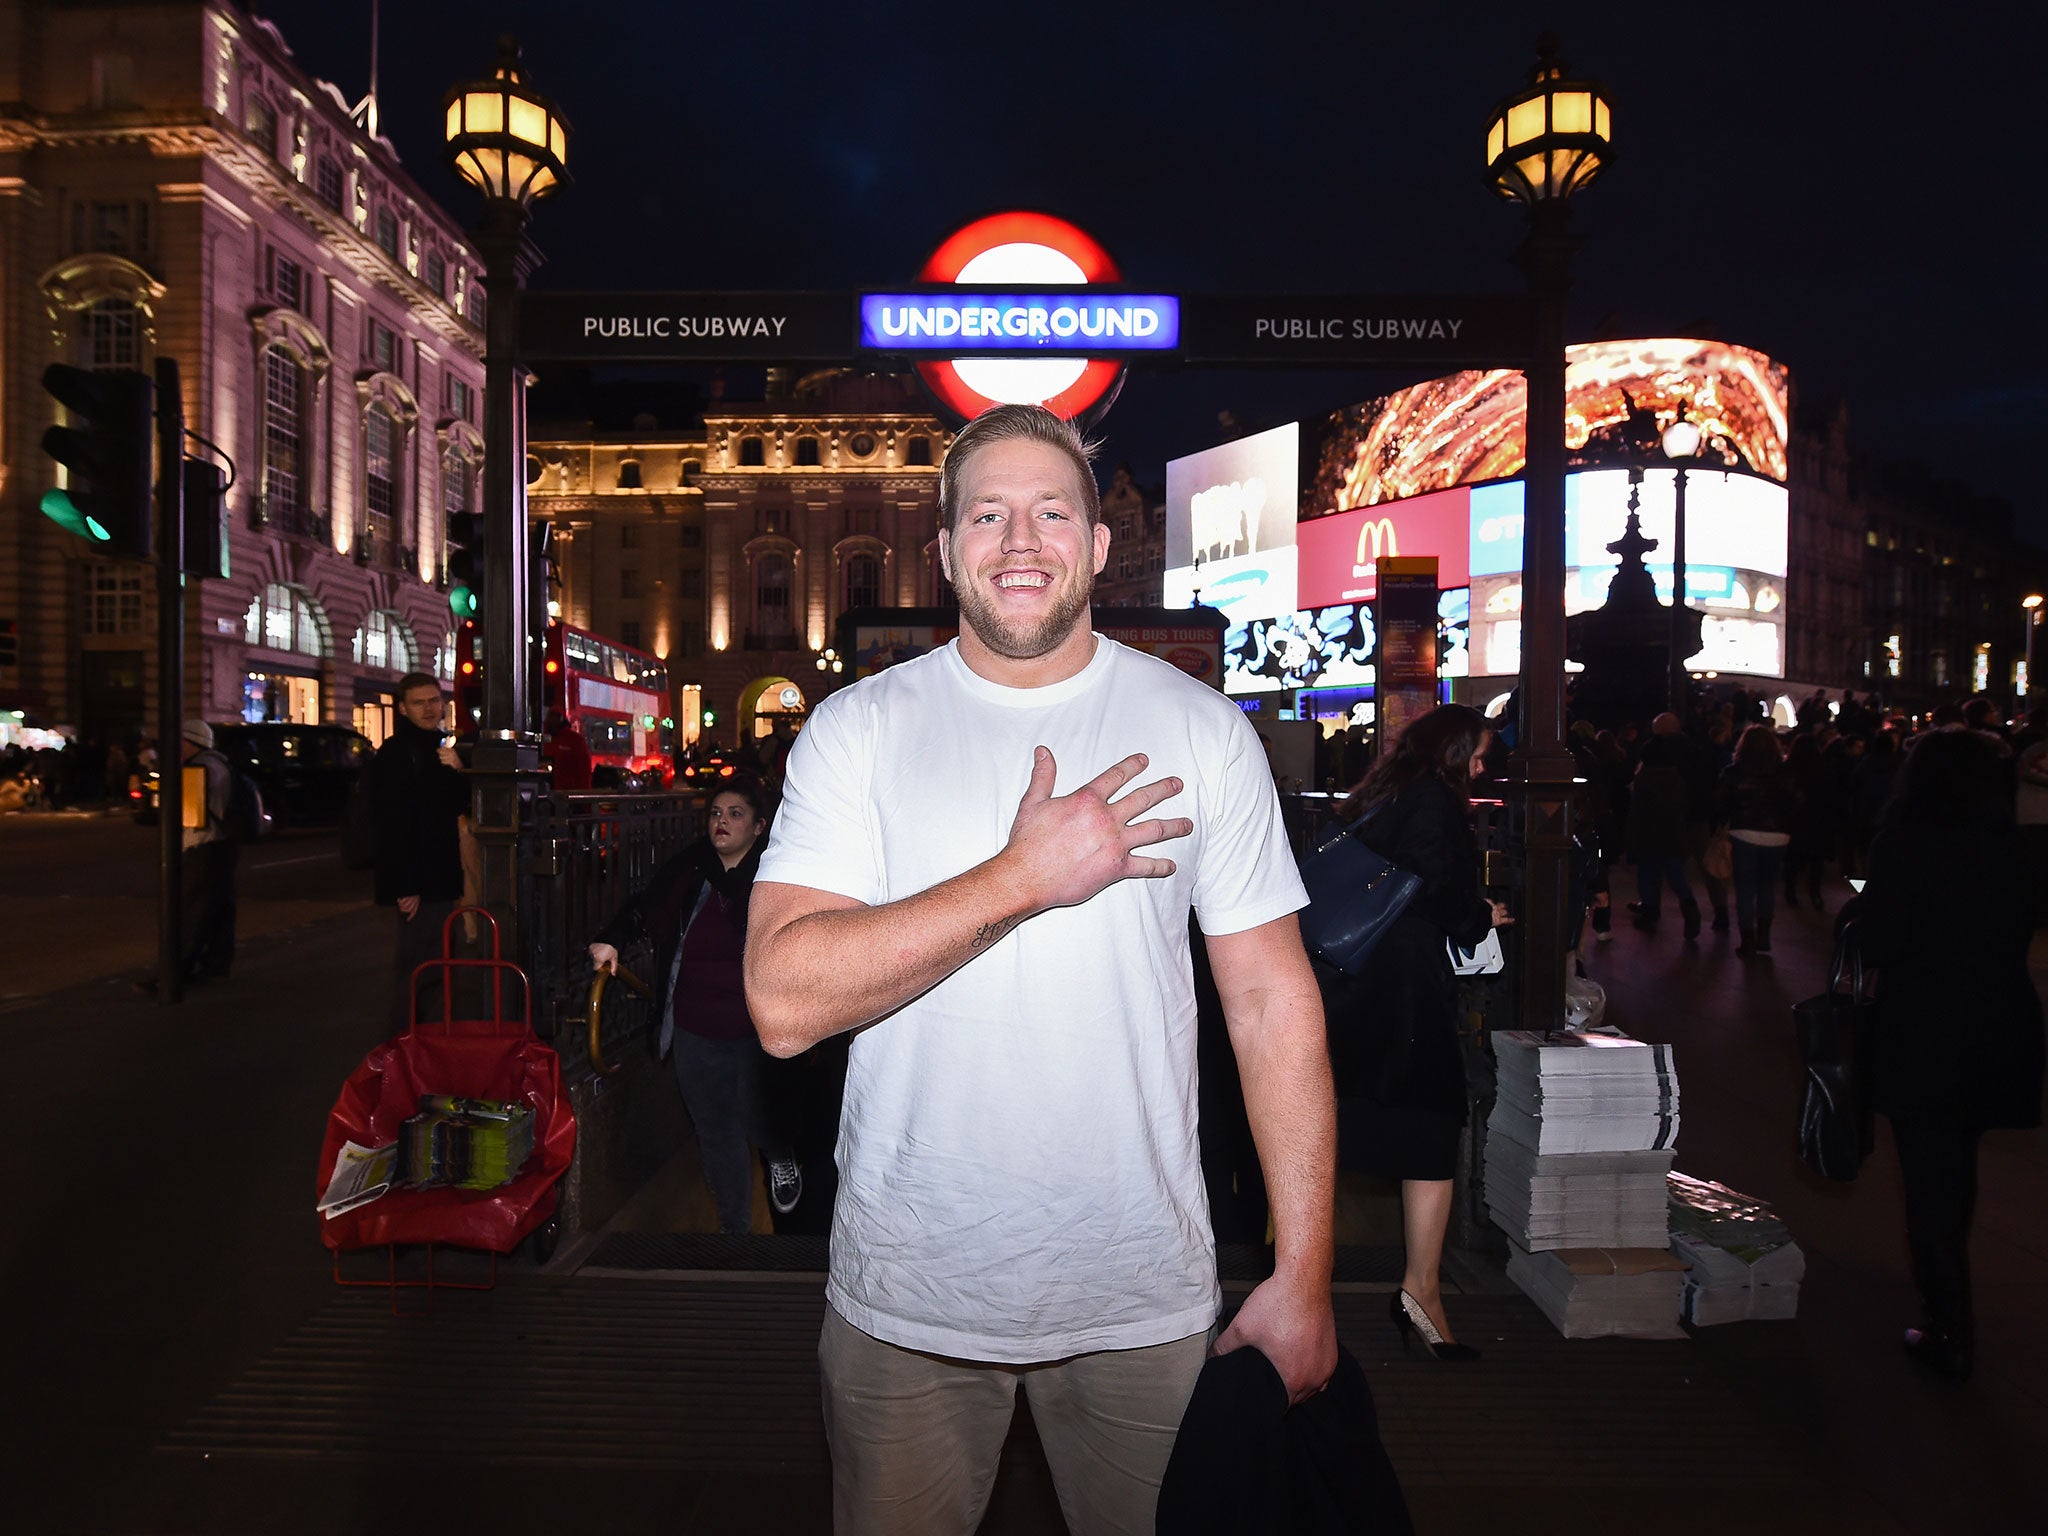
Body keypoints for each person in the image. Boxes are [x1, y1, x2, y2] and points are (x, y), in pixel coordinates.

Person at [743, 403, 1336, 1534]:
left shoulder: (1203, 729)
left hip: (1143, 1298)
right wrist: (1021, 877)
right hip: (906, 1298)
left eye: (1051, 511)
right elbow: (780, 1003)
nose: (1020, 540)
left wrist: (1302, 1276)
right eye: (988, 515)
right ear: (944, 551)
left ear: (1099, 545)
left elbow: (1270, 1005)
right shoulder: (855, 729)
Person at [1845, 730, 2044, 1382]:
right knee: (1957, 1163)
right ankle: (1950, 1292)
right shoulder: (2016, 851)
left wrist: (1859, 911)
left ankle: (1949, 1320)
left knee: (1929, 1174)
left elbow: (1880, 941)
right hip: (2001, 1021)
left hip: (1925, 1027)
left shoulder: (1905, 846)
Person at [1322, 704, 1510, 1361]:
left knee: (1336, 1130)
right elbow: (1442, 892)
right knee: (1433, 1123)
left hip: (1354, 989)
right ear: (1455, 752)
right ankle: (1421, 1292)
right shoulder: (1433, 800)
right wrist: (1483, 912)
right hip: (1401, 993)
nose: (1485, 766)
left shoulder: (1386, 793)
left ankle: (1313, 1288)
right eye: (1480, 755)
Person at [588, 778, 803, 1231]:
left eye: (735, 814)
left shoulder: (776, 879)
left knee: (761, 1119)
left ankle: (779, 1153)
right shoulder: (691, 870)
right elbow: (644, 905)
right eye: (715, 814)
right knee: (716, 1133)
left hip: (756, 1030)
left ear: (760, 826)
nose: (721, 821)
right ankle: (733, 1231)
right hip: (694, 1028)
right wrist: (613, 939)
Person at [369, 672, 468, 1035]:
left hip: (438, 877)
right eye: (418, 703)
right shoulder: (398, 753)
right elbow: (391, 824)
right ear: (402, 708)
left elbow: (457, 805)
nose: (428, 709)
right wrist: (405, 885)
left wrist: (456, 770)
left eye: (433, 701)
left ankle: (420, 1046)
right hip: (422, 882)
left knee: (434, 967)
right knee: (420, 970)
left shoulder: (437, 750)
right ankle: (400, 1051)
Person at [138, 720, 239, 991]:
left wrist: (156, 772)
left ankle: (171, 974)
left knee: (191, 912)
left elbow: (180, 806)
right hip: (221, 846)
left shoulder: (200, 768)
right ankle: (216, 967)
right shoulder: (221, 763)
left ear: (188, 742)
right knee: (218, 911)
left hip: (202, 847)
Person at [1714, 725, 1796, 955]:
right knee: (1767, 886)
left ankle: (1747, 938)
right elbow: (1796, 802)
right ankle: (1764, 936)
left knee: (1745, 888)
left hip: (1744, 832)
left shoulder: (1733, 772)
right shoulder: (1785, 772)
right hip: (1778, 834)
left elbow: (1721, 803)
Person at [1626, 712, 1702, 939]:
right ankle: (1690, 907)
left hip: (1649, 824)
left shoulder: (1647, 767)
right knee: (1676, 872)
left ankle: (1650, 912)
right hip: (1676, 823)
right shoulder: (1691, 753)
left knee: (1648, 871)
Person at [542, 708, 593, 792]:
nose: (552, 720)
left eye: (556, 716)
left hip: (567, 794)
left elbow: (584, 771)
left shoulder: (574, 740)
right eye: (551, 716)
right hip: (549, 791)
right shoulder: (543, 738)